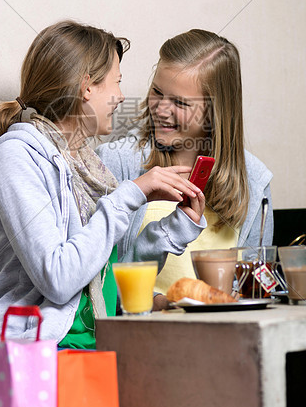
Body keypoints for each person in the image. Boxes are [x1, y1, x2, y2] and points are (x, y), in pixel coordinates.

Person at [0, 20, 205, 347]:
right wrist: (130, 195)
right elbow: (59, 278)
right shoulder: (16, 158)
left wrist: (175, 228)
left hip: (94, 346)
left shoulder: (84, 165)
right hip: (38, 354)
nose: (122, 96)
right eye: (116, 82)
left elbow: (112, 277)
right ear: (87, 87)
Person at [96, 28, 274, 308]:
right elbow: (94, 285)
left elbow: (253, 289)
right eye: (157, 92)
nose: (161, 109)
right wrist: (152, 301)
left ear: (215, 112)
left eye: (180, 102)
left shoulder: (254, 181)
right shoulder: (117, 162)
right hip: (140, 338)